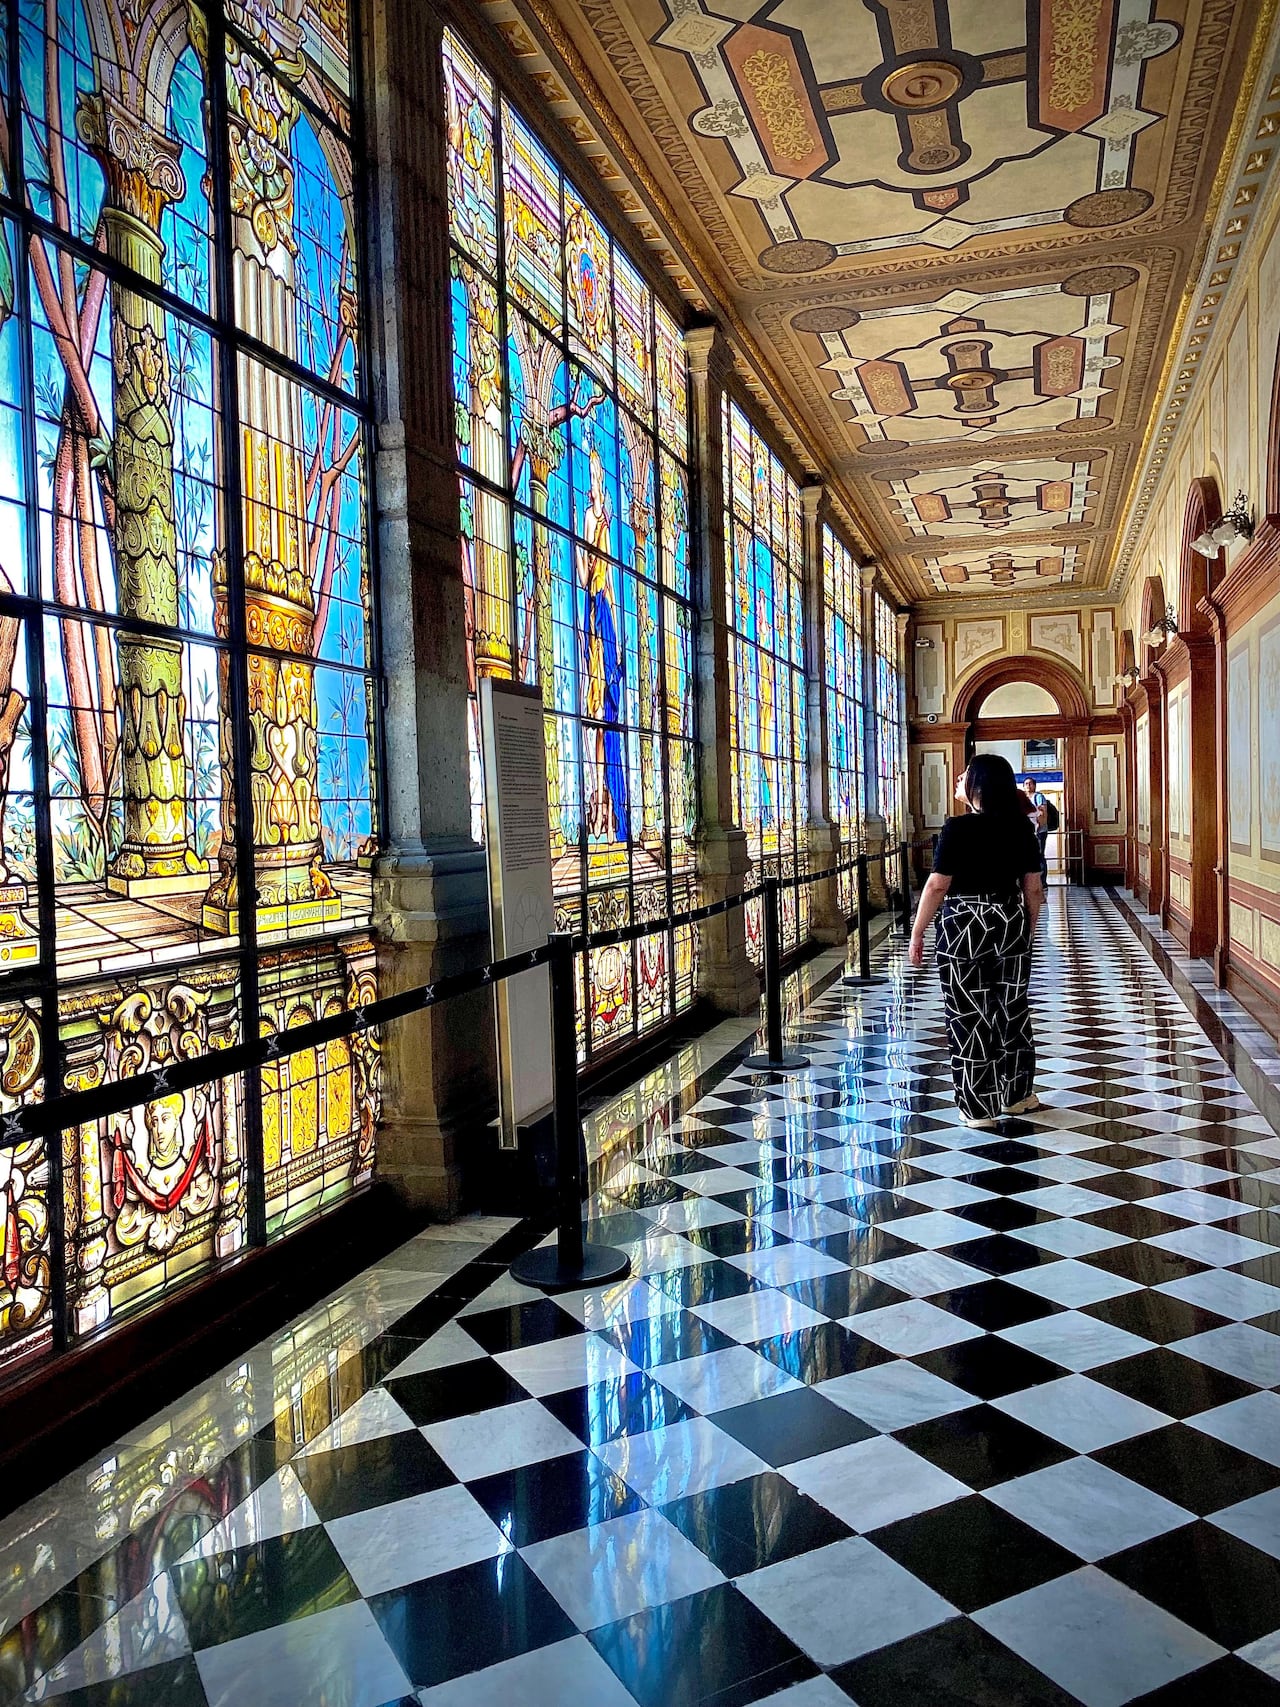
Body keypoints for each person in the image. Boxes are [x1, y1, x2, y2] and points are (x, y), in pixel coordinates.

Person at [908, 754, 1045, 1128]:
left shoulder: (958, 828)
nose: (958, 778)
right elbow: (1033, 889)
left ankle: (978, 1107)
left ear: (978, 785)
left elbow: (937, 885)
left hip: (963, 925)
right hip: (1009, 920)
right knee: (1012, 1010)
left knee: (968, 1013)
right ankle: (1017, 1095)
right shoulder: (1021, 829)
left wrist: (918, 932)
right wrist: (1027, 931)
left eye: (965, 774)